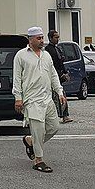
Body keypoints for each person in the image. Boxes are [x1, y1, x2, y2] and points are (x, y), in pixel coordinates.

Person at [13, 26, 66, 173]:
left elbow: (53, 75)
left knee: (54, 127)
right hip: (32, 99)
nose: (42, 40)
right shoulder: (21, 55)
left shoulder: (46, 55)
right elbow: (17, 78)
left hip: (47, 98)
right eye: (39, 38)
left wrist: (60, 92)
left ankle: (30, 141)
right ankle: (39, 160)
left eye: (42, 37)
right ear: (30, 39)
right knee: (38, 129)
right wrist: (18, 98)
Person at [45, 30, 73, 123]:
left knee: (61, 95)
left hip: (60, 76)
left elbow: (61, 63)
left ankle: (65, 115)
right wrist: (60, 75)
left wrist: (65, 73)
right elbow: (52, 65)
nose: (58, 39)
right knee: (55, 97)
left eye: (58, 37)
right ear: (50, 38)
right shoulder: (48, 50)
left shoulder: (57, 49)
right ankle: (58, 115)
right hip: (53, 77)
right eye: (56, 37)